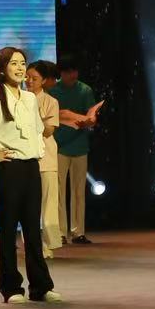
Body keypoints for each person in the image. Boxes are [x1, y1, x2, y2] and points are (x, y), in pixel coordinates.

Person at [0, 47, 62, 304]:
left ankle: (41, 286)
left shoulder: (30, 98)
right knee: (8, 230)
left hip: (31, 168)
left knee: (32, 230)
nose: (20, 68)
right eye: (14, 64)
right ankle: (11, 288)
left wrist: (37, 153)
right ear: (1, 69)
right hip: (8, 169)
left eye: (22, 63)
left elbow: (38, 131)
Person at [49, 60, 99, 245]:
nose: (72, 76)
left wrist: (90, 121)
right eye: (68, 72)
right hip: (59, 146)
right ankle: (60, 232)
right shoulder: (53, 91)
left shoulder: (85, 90)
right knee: (58, 191)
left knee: (79, 191)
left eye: (74, 71)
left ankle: (78, 232)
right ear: (61, 73)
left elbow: (92, 115)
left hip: (80, 146)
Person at [26, 61, 65, 260]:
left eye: (34, 78)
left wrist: (31, 121)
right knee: (28, 206)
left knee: (49, 203)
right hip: (25, 157)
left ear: (43, 81)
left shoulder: (50, 101)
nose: (29, 81)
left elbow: (49, 130)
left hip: (46, 157)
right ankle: (32, 245)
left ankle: (49, 244)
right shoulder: (18, 99)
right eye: (27, 77)